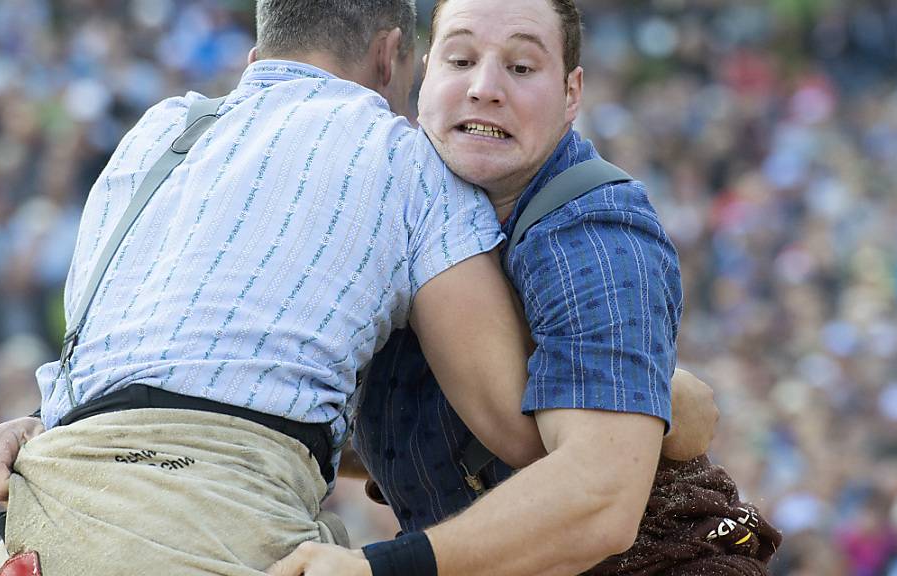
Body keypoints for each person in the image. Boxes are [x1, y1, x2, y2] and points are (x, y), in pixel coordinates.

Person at [0, 1, 553, 574]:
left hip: (48, 519)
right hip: (219, 528)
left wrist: (42, 416)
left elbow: (144, 369)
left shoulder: (156, 131)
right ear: (390, 55)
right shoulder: (405, 156)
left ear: (258, 57)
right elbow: (517, 432)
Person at [266, 0, 722, 574]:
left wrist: (374, 569)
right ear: (423, 74)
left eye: (522, 68)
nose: (484, 88)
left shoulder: (594, 234)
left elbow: (599, 502)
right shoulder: (397, 199)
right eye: (460, 60)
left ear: (571, 93)